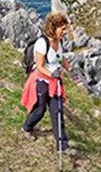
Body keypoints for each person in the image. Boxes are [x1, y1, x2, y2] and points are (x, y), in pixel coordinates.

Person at [20, 12, 75, 154]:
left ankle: (63, 146)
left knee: (57, 111)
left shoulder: (59, 41)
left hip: (55, 82)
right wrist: (51, 74)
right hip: (41, 80)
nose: (65, 32)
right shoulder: (42, 43)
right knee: (39, 110)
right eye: (62, 29)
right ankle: (27, 128)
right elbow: (39, 66)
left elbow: (60, 58)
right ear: (54, 27)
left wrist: (69, 69)